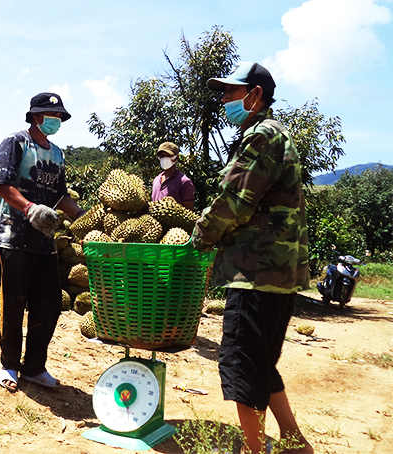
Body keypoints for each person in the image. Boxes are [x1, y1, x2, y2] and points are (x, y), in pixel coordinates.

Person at [191, 62, 313, 454]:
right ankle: (294, 443)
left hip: (256, 272)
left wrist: (199, 240)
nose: (224, 100)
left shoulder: (261, 135)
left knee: (242, 365)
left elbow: (234, 200)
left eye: (230, 92)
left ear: (254, 95)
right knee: (261, 362)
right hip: (277, 273)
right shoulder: (276, 135)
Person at [0, 92, 86, 392]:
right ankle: (9, 365)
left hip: (45, 242)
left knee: (48, 305)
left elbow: (60, 196)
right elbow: (2, 184)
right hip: (13, 236)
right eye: (51, 116)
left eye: (59, 117)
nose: (56, 121)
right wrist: (29, 208)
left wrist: (83, 216)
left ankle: (34, 367)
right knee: (14, 302)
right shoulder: (16, 142)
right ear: (35, 116)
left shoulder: (57, 154)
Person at [150, 141, 195, 210]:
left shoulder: (184, 182)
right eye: (162, 156)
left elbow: (189, 211)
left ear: (176, 158)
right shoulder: (156, 180)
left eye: (168, 156)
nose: (164, 159)